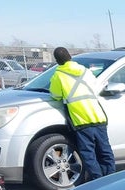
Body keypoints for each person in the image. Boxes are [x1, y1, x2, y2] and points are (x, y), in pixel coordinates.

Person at [49, 47, 115, 182]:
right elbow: (96, 88)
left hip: (81, 119)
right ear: (70, 56)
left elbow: (55, 95)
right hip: (98, 116)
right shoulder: (85, 71)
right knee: (105, 150)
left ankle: (98, 179)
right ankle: (111, 177)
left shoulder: (58, 75)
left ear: (57, 61)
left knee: (88, 153)